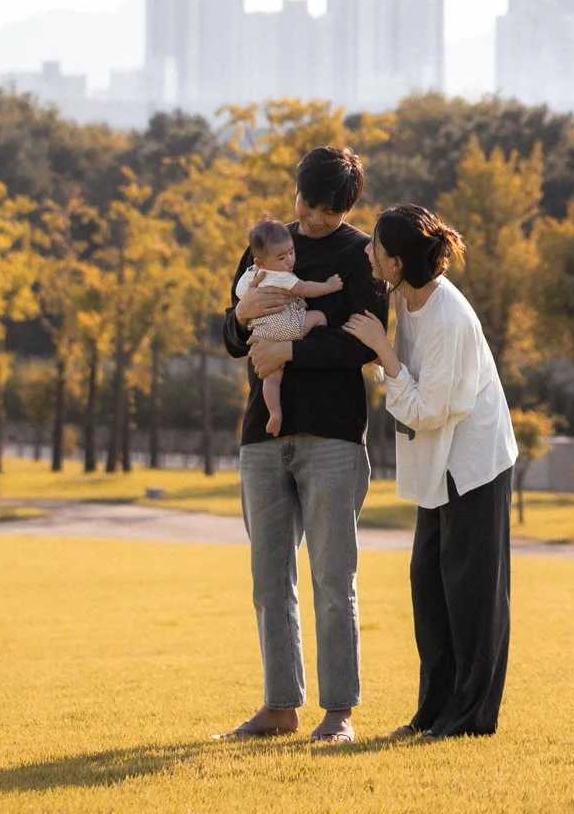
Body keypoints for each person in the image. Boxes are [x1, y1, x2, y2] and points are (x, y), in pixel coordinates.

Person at [217, 144, 387, 747]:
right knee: (269, 580)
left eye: (324, 212)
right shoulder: (267, 241)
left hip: (334, 437)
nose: (309, 221)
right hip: (263, 435)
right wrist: (240, 318)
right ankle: (280, 705)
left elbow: (363, 344)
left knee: (332, 579)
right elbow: (233, 334)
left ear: (348, 205)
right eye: (305, 205)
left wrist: (291, 351)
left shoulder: (363, 255)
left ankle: (338, 712)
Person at [344, 203, 518, 740]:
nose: (366, 252)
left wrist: (382, 354)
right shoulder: (404, 296)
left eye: (374, 247)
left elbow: (430, 409)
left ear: (395, 263)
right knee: (430, 586)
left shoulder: (449, 318)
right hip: (438, 465)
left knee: (471, 595)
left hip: (473, 465)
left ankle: (469, 719)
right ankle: (433, 712)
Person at [234, 217, 345, 435]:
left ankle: (274, 412)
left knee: (271, 377)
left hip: (263, 334)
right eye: (282, 257)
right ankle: (307, 346)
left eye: (292, 253)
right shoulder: (281, 277)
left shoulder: (250, 275)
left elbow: (240, 293)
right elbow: (305, 289)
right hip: (288, 328)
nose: (290, 261)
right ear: (261, 263)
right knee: (319, 317)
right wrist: (329, 286)